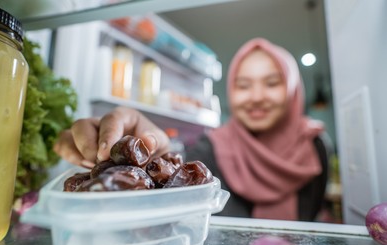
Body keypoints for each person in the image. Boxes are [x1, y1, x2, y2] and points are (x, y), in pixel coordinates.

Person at [54, 38, 329, 221]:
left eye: (271, 83)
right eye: (243, 85)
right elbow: (173, 177)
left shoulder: (314, 146)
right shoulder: (212, 148)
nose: (256, 96)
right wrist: (149, 154)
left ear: (293, 89)